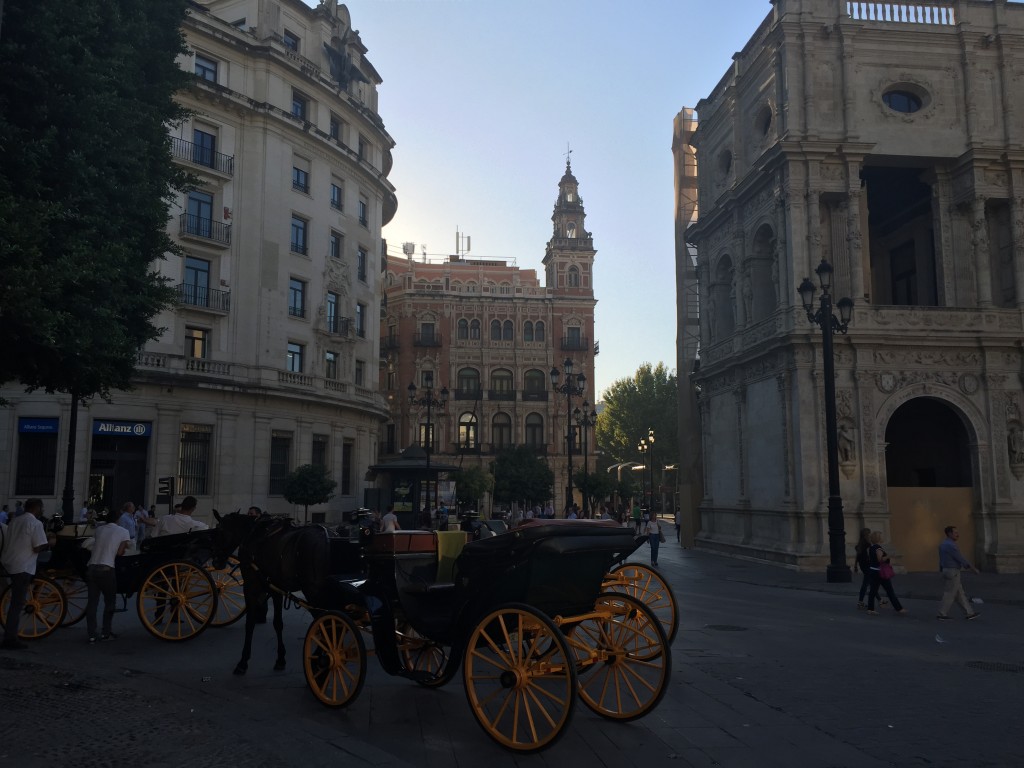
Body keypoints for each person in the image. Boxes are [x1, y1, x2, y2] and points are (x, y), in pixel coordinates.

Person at [1, 499, 55, 649]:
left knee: (15, 602)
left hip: (10, 562)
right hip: (23, 565)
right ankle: (10, 638)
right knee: (17, 604)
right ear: (37, 508)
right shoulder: (35, 524)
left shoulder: (14, 521)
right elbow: (37, 548)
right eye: (42, 508)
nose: (42, 510)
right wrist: (49, 543)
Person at [85, 509, 131, 642]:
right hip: (107, 568)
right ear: (118, 519)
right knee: (110, 602)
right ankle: (106, 631)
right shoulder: (123, 532)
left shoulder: (99, 530)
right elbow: (120, 552)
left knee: (92, 603)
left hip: (92, 567)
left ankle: (92, 634)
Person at [936, 525, 980, 621]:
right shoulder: (951, 546)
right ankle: (942, 613)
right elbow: (960, 558)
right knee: (950, 593)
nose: (957, 534)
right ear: (949, 533)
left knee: (959, 593)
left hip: (947, 570)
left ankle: (969, 613)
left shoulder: (943, 544)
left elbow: (941, 559)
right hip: (953, 571)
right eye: (955, 533)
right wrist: (973, 569)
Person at [866, 531, 907, 615]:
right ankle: (899, 608)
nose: (882, 538)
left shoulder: (871, 547)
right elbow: (880, 559)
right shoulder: (878, 548)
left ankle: (870, 609)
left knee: (873, 591)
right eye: (881, 536)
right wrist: (889, 555)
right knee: (890, 591)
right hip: (880, 572)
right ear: (878, 538)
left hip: (873, 571)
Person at [854, 527, 872, 610]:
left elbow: (857, 556)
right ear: (866, 535)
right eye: (869, 534)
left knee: (870, 583)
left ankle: (880, 600)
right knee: (866, 584)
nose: (870, 535)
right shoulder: (867, 544)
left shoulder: (860, 544)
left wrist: (855, 566)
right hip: (868, 566)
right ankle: (860, 601)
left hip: (863, 566)